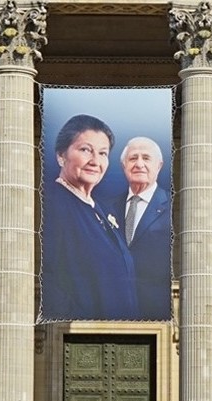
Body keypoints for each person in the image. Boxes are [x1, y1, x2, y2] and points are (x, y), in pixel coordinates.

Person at [41, 114, 139, 321]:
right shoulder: (51, 204)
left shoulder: (102, 210)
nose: (95, 161)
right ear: (61, 155)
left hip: (124, 331)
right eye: (85, 150)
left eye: (103, 153)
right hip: (81, 332)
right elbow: (46, 273)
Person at [104, 136, 172, 320]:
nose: (139, 164)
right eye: (133, 158)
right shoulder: (105, 208)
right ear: (124, 166)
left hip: (157, 305)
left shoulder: (176, 206)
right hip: (108, 303)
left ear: (159, 165)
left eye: (146, 158)